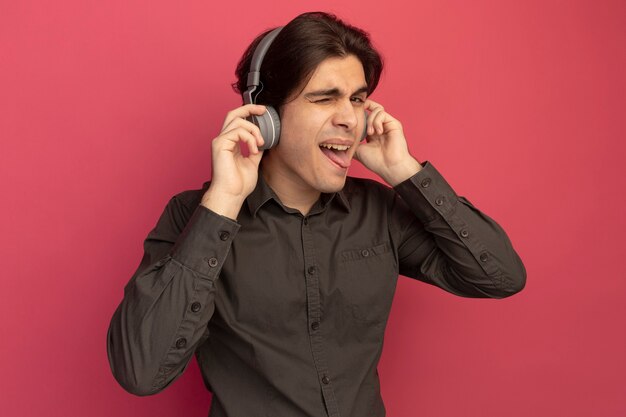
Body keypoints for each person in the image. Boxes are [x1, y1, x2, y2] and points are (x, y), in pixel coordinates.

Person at [107, 11, 526, 417]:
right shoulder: (194, 216)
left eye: (358, 99)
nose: (349, 119)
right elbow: (141, 371)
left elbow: (500, 277)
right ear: (265, 115)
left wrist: (403, 171)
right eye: (325, 98)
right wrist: (224, 202)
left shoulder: (379, 211)